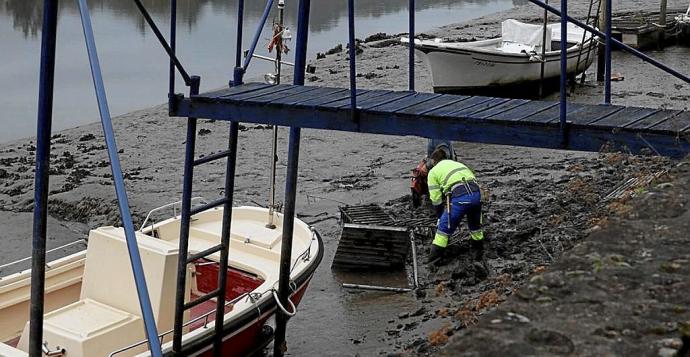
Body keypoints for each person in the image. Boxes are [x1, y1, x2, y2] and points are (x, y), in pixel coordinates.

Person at [425, 148, 484, 264]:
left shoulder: (433, 172)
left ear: (433, 161)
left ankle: (433, 261)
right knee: (475, 226)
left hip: (461, 198)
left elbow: (436, 199)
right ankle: (478, 253)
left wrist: (440, 216)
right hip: (476, 195)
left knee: (443, 230)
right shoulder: (458, 164)